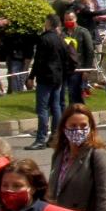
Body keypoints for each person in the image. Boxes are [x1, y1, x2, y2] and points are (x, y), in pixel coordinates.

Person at [47, 105, 106, 211]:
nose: (78, 130)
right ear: (64, 127)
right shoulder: (59, 154)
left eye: (83, 126)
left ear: (91, 128)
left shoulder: (97, 155)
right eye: (73, 126)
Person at [26, 15, 76, 151]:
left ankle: (41, 138)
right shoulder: (61, 39)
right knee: (56, 106)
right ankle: (55, 136)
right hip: (58, 77)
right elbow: (66, 59)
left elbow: (38, 60)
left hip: (45, 76)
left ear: (48, 23)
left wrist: (31, 76)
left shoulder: (44, 38)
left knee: (42, 108)